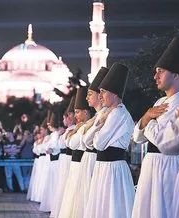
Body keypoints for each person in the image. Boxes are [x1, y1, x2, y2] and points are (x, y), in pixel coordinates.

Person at [131, 37, 179, 218]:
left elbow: (163, 141)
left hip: (169, 167)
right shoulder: (159, 102)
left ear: (175, 75)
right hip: (150, 164)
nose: (155, 76)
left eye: (161, 71)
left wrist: (149, 119)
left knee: (164, 209)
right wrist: (149, 117)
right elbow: (137, 137)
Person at [84, 63, 135, 218]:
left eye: (104, 92)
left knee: (113, 207)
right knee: (101, 206)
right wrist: (99, 124)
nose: (101, 96)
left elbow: (98, 144)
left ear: (114, 94)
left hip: (113, 169)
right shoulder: (105, 113)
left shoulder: (118, 113)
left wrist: (97, 129)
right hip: (103, 167)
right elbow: (87, 141)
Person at [70, 67, 109, 218]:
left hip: (95, 159)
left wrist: (84, 128)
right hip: (88, 160)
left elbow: (86, 141)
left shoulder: (106, 115)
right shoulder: (96, 117)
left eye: (90, 94)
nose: (87, 98)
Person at [58, 87, 91, 218]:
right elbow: (67, 141)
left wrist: (75, 131)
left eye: (77, 112)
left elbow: (71, 143)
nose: (76, 115)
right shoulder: (79, 126)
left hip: (82, 164)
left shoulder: (86, 125)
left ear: (86, 112)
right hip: (75, 165)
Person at [50, 94, 76, 218]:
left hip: (70, 159)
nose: (65, 120)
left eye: (66, 117)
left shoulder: (73, 129)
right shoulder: (67, 130)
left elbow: (62, 144)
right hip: (64, 159)